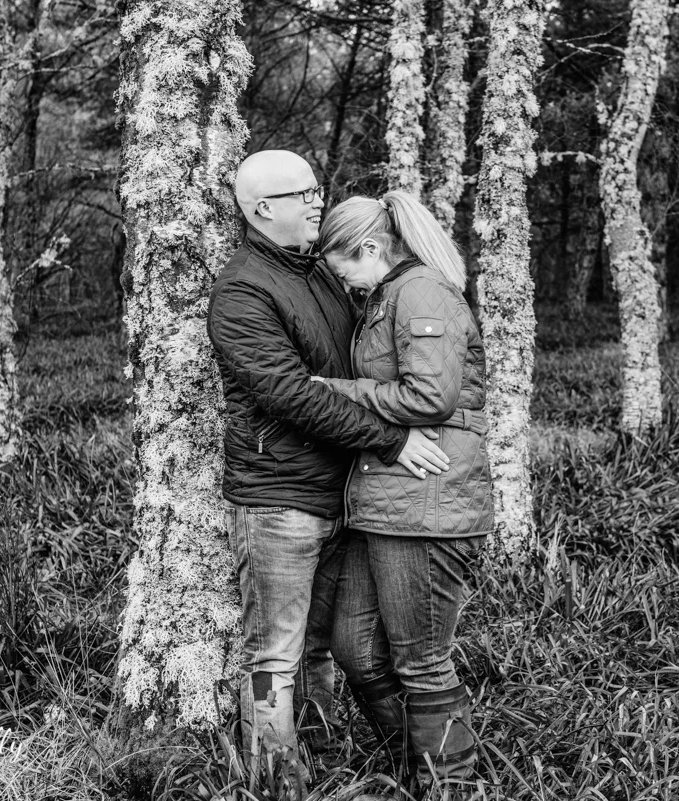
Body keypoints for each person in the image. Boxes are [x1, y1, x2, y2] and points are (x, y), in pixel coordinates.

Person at [206, 151, 452, 794]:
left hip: (346, 494)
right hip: (280, 503)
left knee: (325, 649)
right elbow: (292, 394)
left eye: (319, 188)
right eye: (304, 192)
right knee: (275, 656)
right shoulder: (243, 290)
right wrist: (391, 442)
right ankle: (277, 783)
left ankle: (323, 760)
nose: (319, 200)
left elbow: (360, 370)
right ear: (264, 209)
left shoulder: (320, 273)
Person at [313, 190, 495, 796]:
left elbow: (429, 399)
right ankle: (418, 764)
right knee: (356, 648)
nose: (345, 282)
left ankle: (450, 786)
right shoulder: (388, 295)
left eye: (343, 267)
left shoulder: (419, 292)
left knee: (420, 661)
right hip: (390, 500)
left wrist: (340, 392)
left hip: (427, 503)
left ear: (368, 248)